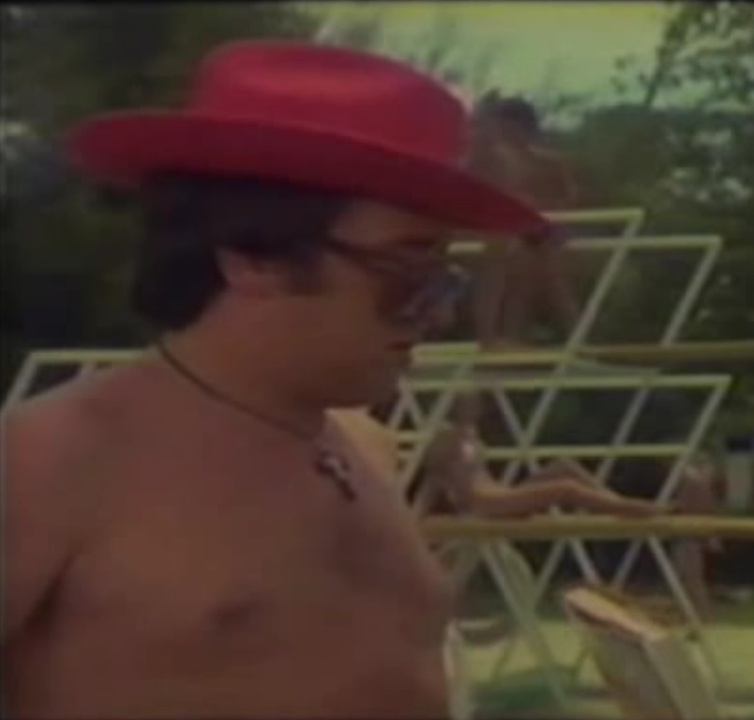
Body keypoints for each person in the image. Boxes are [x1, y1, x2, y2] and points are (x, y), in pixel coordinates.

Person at [1, 41, 551, 719]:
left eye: (445, 276)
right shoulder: (51, 460)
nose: (439, 311)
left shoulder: (365, 449)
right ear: (255, 256)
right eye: (408, 270)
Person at [407, 388, 658, 519]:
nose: (477, 408)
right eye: (470, 403)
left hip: (498, 494)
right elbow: (435, 479)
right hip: (482, 502)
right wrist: (416, 516)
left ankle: (615, 502)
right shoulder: (445, 437)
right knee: (564, 488)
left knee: (561, 466)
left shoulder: (470, 435)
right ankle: (623, 508)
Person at [467, 95, 581, 349]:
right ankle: (497, 336)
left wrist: (544, 208)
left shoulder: (547, 162)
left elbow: (569, 197)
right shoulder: (492, 157)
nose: (502, 131)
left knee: (547, 272)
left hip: (539, 225)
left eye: (506, 125)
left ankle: (574, 334)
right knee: (505, 261)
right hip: (505, 225)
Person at [671, 450, 725, 623]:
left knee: (692, 577)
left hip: (691, 535)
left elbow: (703, 508)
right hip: (688, 534)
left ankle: (703, 616)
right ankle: (694, 615)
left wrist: (711, 535)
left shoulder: (697, 482)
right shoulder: (700, 484)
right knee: (686, 577)